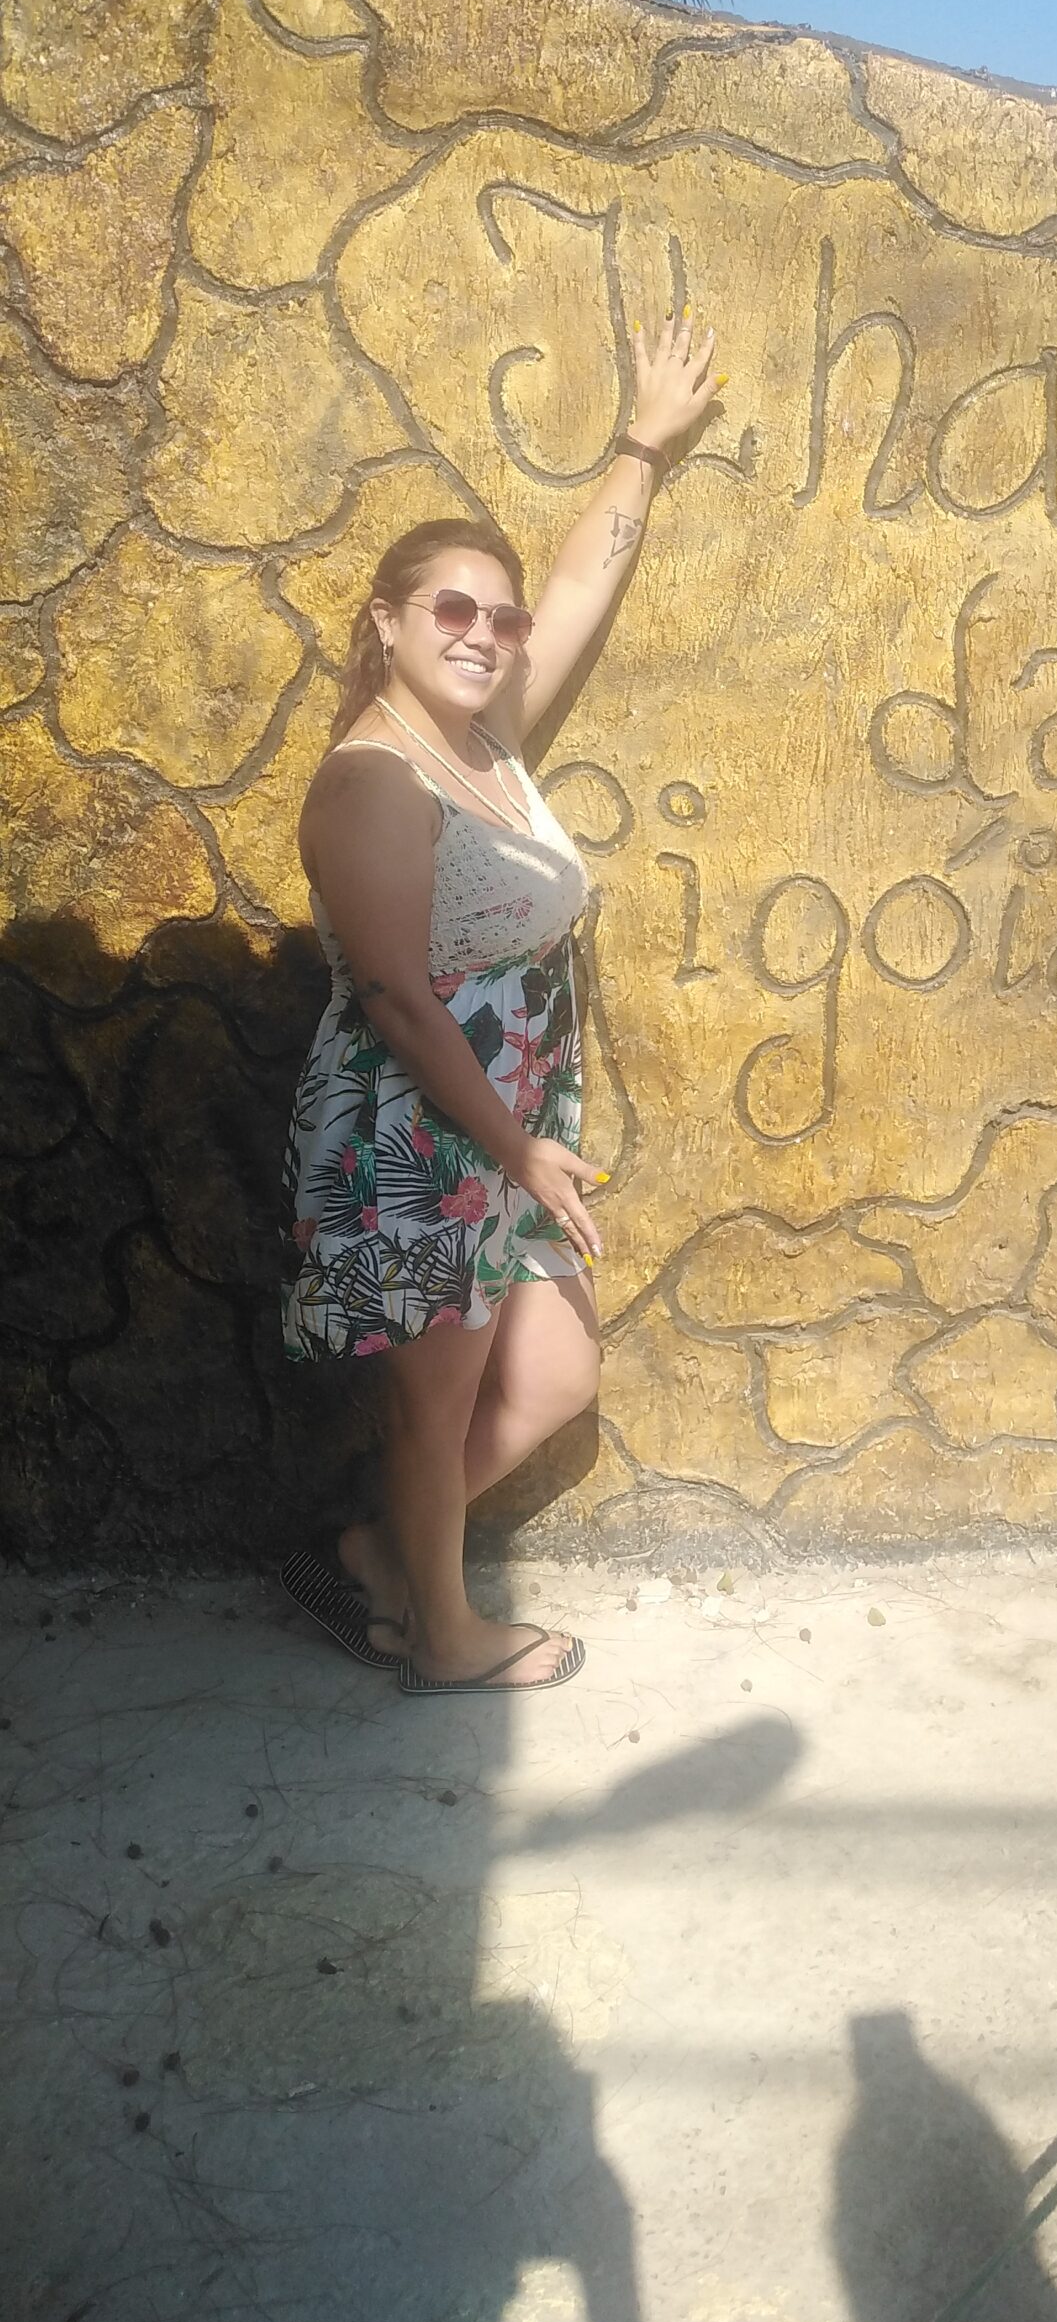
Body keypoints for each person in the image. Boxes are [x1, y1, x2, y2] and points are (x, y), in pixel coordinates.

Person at [279, 310, 721, 1691]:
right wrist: (517, 1146)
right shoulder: (375, 780)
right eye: (452, 610)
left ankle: (380, 1557)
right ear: (387, 622)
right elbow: (400, 1002)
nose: (485, 633)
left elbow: (580, 583)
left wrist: (645, 444)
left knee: (552, 1377)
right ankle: (444, 1634)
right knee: (440, 1398)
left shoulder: (482, 741)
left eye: (499, 615)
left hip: (504, 1121)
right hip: (420, 1126)